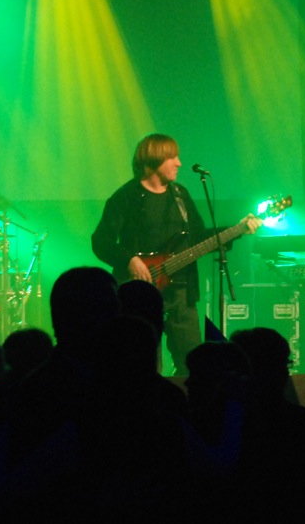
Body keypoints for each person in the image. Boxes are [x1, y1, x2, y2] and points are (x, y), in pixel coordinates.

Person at [91, 133, 258, 375]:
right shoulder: (126, 197)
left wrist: (238, 229)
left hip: (181, 292)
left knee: (193, 365)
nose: (179, 163)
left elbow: (198, 238)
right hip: (141, 294)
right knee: (145, 366)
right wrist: (130, 260)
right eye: (172, 157)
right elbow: (101, 241)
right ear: (154, 159)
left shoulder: (180, 195)